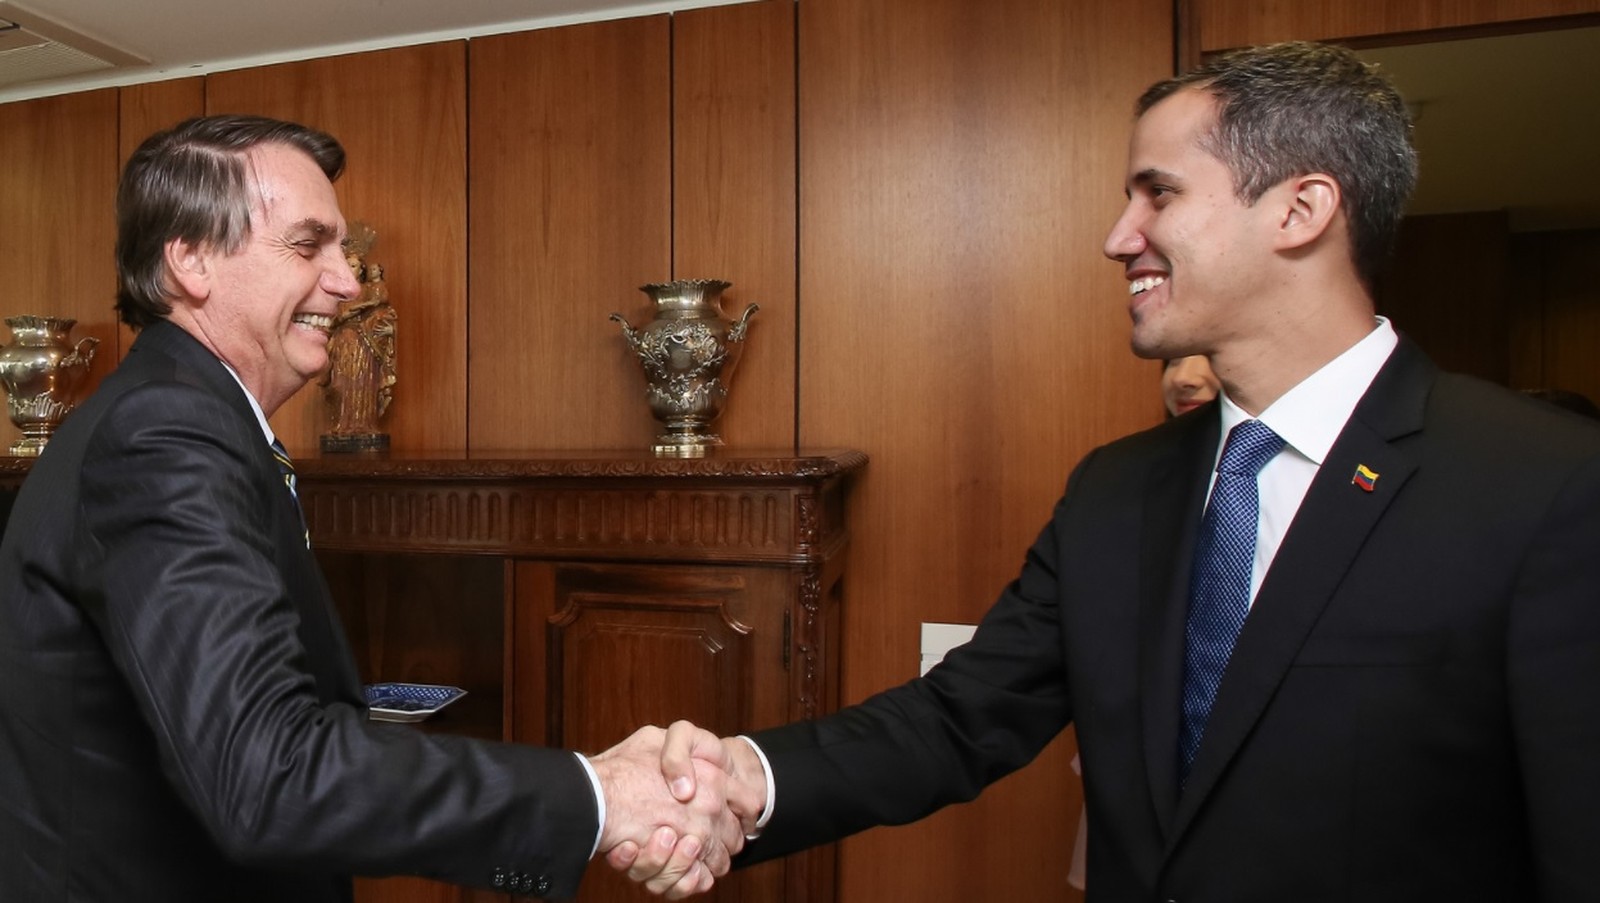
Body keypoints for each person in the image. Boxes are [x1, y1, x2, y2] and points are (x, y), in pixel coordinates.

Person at [624, 41, 1600, 900]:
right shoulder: (1116, 490)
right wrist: (745, 779)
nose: (1117, 236)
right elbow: (960, 719)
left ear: (1300, 208)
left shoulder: (1543, 484)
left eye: (1159, 193)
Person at [0, 115, 753, 902]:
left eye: (342, 249)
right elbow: (266, 775)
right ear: (189, 259)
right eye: (307, 244)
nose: (349, 282)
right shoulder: (164, 431)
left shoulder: (190, 418)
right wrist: (597, 794)